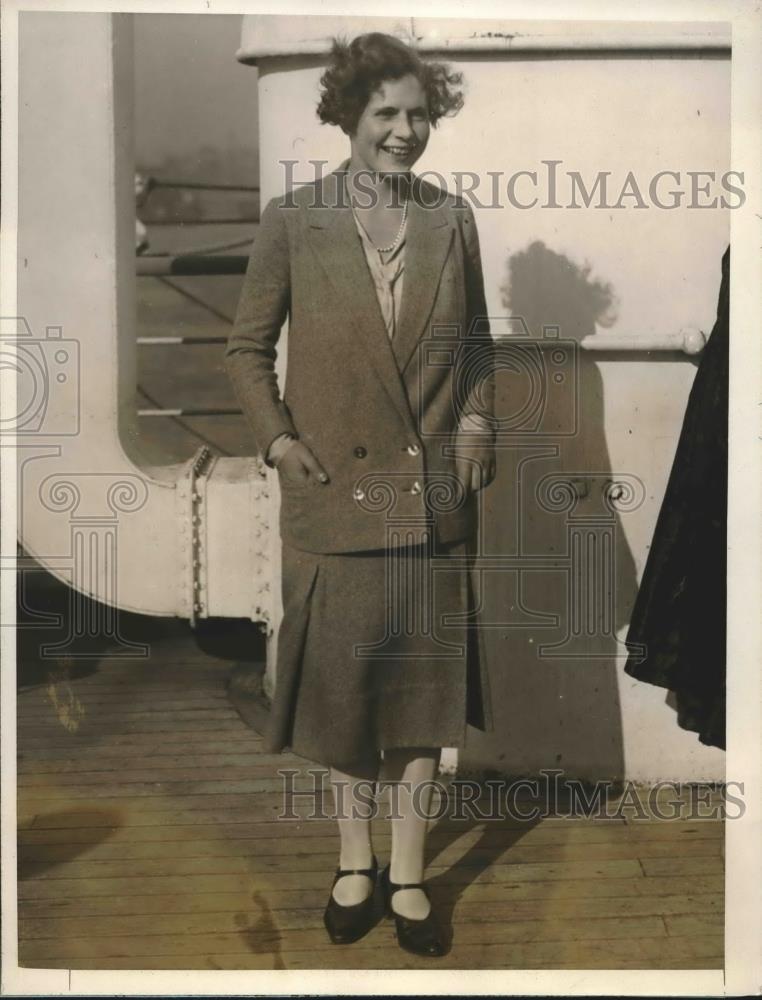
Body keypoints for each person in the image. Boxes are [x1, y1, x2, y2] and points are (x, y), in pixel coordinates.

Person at [224, 31, 496, 958]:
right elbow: (245, 351)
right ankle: (354, 861)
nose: (406, 131)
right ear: (349, 116)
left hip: (429, 505)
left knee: (421, 701)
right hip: (337, 498)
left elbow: (477, 353)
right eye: (387, 113)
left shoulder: (451, 219)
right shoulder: (293, 220)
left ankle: (410, 871)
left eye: (420, 113)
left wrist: (477, 425)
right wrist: (278, 439)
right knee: (345, 698)